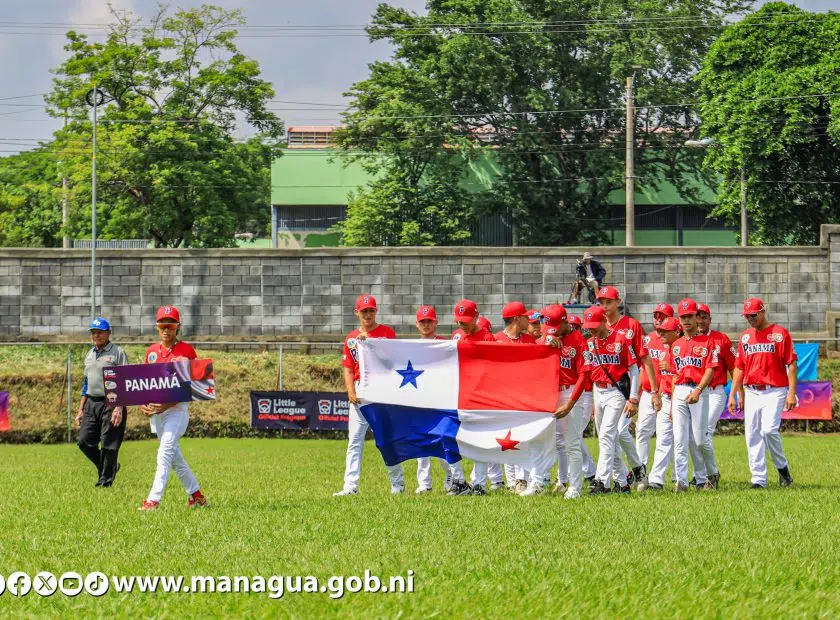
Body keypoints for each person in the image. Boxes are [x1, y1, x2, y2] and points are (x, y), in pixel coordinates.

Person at [334, 295, 406, 496]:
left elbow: (393, 361)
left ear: (376, 311)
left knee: (385, 439)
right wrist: (351, 391)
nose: (367, 314)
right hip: (360, 389)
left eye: (371, 310)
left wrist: (372, 344)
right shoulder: (351, 338)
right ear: (357, 312)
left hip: (380, 387)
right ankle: (350, 486)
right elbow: (348, 368)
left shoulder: (386, 333)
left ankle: (398, 484)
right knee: (355, 440)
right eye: (364, 311)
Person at [138, 306, 208, 511]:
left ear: (178, 327)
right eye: (162, 325)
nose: (166, 329)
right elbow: (147, 383)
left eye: (170, 325)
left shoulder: (187, 351)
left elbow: (195, 385)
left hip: (177, 409)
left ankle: (153, 500)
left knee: (164, 452)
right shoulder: (151, 351)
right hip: (157, 413)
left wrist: (167, 404)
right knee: (174, 457)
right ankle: (197, 496)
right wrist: (144, 402)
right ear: (157, 326)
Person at [727, 298, 796, 489]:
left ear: (763, 311)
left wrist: (791, 392)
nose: (750, 318)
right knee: (752, 434)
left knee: (769, 430)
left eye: (753, 314)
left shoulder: (779, 334)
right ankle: (758, 479)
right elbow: (739, 367)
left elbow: (791, 363)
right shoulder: (746, 337)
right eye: (747, 316)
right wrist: (733, 394)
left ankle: (782, 469)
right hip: (752, 391)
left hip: (775, 389)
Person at [597, 286, 659, 492]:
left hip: (626, 384)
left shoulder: (631, 325)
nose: (605, 306)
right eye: (601, 302)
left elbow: (644, 358)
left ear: (618, 302)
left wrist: (653, 391)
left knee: (618, 431)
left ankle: (623, 475)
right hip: (603, 386)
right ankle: (628, 473)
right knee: (610, 434)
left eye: (608, 302)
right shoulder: (597, 323)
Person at [579, 305, 642, 495]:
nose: (591, 330)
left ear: (603, 322)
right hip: (598, 390)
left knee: (607, 435)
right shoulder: (589, 343)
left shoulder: (621, 339)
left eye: (594, 326)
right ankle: (622, 481)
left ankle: (602, 482)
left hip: (616, 391)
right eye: (588, 326)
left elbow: (633, 369)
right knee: (608, 438)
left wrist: (633, 398)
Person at [413, 305, 470, 495]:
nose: (426, 325)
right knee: (421, 441)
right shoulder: (410, 346)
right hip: (419, 399)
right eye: (422, 322)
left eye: (429, 321)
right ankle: (424, 483)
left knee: (444, 439)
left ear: (435, 323)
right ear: (417, 324)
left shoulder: (446, 344)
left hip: (442, 398)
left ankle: (451, 476)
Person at [668, 298, 720, 492]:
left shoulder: (707, 342)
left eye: (690, 316)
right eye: (683, 317)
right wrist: (672, 402)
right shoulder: (676, 344)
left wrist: (698, 389)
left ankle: (712, 473)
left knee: (700, 440)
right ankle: (681, 482)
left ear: (697, 317)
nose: (686, 320)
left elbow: (710, 370)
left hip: (698, 389)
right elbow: (675, 375)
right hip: (680, 390)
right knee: (679, 439)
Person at [541, 305, 589, 499]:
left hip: (571, 391)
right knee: (559, 442)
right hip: (553, 391)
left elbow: (584, 375)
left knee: (572, 443)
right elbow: (538, 341)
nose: (552, 331)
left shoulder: (579, 341)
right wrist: (547, 339)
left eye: (555, 327)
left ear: (565, 322)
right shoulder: (550, 334)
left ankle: (575, 487)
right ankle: (562, 481)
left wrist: (570, 403)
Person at [451, 299, 497, 495]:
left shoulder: (487, 337)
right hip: (461, 393)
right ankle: (459, 481)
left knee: (480, 438)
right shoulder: (457, 336)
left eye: (466, 320)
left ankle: (479, 484)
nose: (462, 324)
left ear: (476, 317)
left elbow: (494, 366)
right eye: (459, 321)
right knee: (452, 436)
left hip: (481, 394)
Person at [76, 317, 128, 488]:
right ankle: (109, 467)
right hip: (91, 402)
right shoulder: (89, 354)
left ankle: (105, 481)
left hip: (112, 402)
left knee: (108, 444)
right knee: (84, 442)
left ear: (108, 333)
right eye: (93, 332)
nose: (96, 335)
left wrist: (119, 408)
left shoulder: (118, 352)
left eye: (99, 332)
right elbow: (86, 384)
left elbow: (124, 381)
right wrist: (81, 409)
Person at [696, 302, 736, 482]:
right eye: (697, 317)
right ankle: (702, 474)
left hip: (715, 392)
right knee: (696, 434)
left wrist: (738, 393)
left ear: (710, 319)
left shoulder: (721, 339)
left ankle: (710, 475)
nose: (700, 321)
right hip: (695, 393)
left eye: (704, 317)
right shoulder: (688, 339)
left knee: (705, 431)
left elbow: (734, 367)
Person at [634, 303, 674, 468]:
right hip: (648, 392)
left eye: (662, 316)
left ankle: (675, 474)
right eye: (656, 316)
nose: (658, 319)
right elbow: (641, 369)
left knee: (667, 435)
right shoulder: (647, 339)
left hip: (667, 393)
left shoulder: (673, 339)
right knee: (642, 430)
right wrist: (636, 395)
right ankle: (641, 470)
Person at [646, 317, 681, 490]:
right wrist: (659, 395)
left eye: (665, 332)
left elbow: (680, 377)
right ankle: (656, 480)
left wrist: (674, 405)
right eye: (660, 331)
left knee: (686, 441)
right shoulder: (665, 351)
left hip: (680, 399)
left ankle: (690, 477)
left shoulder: (682, 349)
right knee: (662, 439)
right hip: (666, 397)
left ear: (677, 332)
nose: (661, 334)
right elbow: (665, 379)